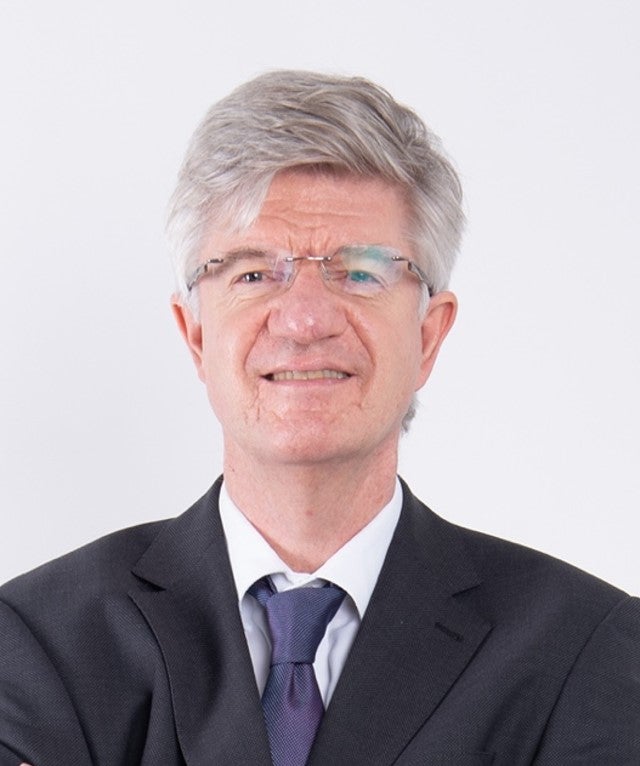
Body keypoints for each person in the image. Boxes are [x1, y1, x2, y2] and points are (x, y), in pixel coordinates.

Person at [0, 70, 638, 766]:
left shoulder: (582, 650)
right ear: (197, 335)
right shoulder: (39, 642)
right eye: (253, 273)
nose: (305, 320)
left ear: (428, 336)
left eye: (360, 272)